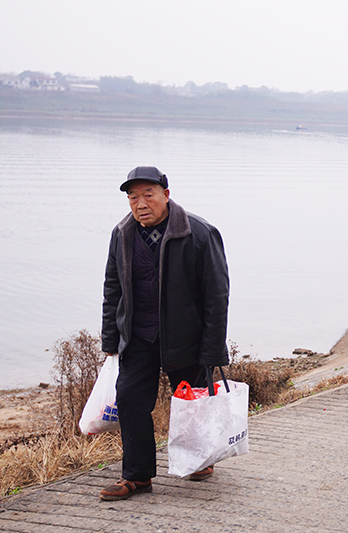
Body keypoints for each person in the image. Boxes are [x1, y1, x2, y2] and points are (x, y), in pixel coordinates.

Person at [100, 166, 230, 501]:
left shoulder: (199, 233)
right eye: (133, 197)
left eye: (148, 194)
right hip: (139, 337)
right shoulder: (121, 234)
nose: (140, 203)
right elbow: (112, 289)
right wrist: (110, 340)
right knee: (129, 401)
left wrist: (214, 347)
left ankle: (199, 461)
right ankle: (137, 476)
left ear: (165, 196)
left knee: (192, 404)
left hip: (187, 337)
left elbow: (216, 293)